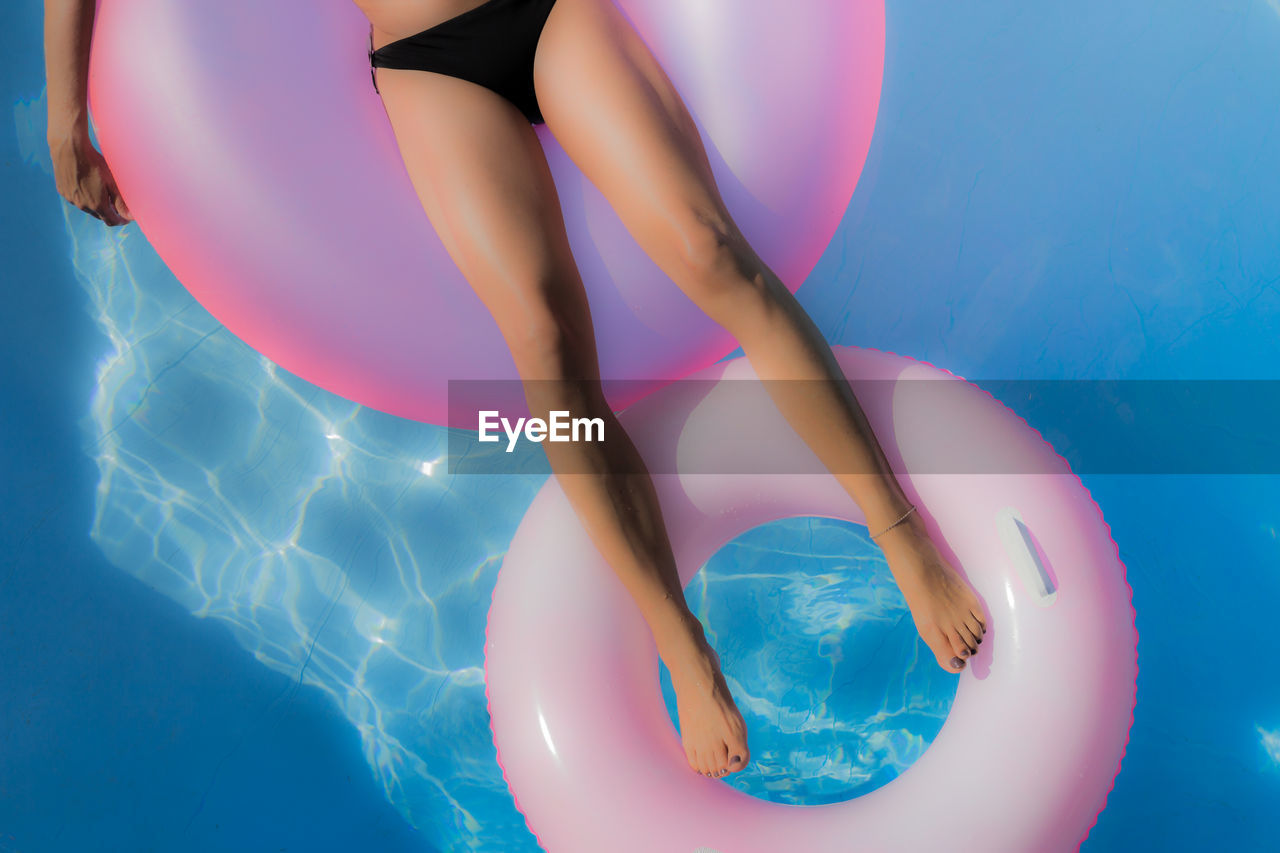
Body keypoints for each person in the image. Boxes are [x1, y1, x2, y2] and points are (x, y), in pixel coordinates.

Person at [45, 0, 987, 781]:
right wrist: (64, 118)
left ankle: (898, 535)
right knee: (542, 340)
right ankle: (677, 636)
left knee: (709, 250)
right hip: (427, 61)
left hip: (550, 12)